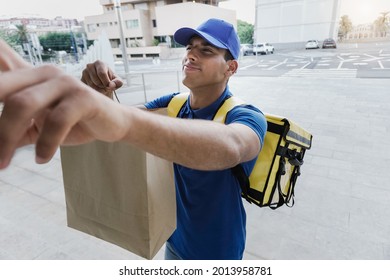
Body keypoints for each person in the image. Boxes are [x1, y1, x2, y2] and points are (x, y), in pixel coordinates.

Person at [0, 18, 267, 260]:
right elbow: (114, 120)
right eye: (189, 47)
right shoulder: (173, 103)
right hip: (172, 238)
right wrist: (99, 94)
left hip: (217, 252)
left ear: (230, 67)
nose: (191, 55)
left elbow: (232, 146)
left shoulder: (246, 116)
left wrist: (122, 121)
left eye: (206, 51)